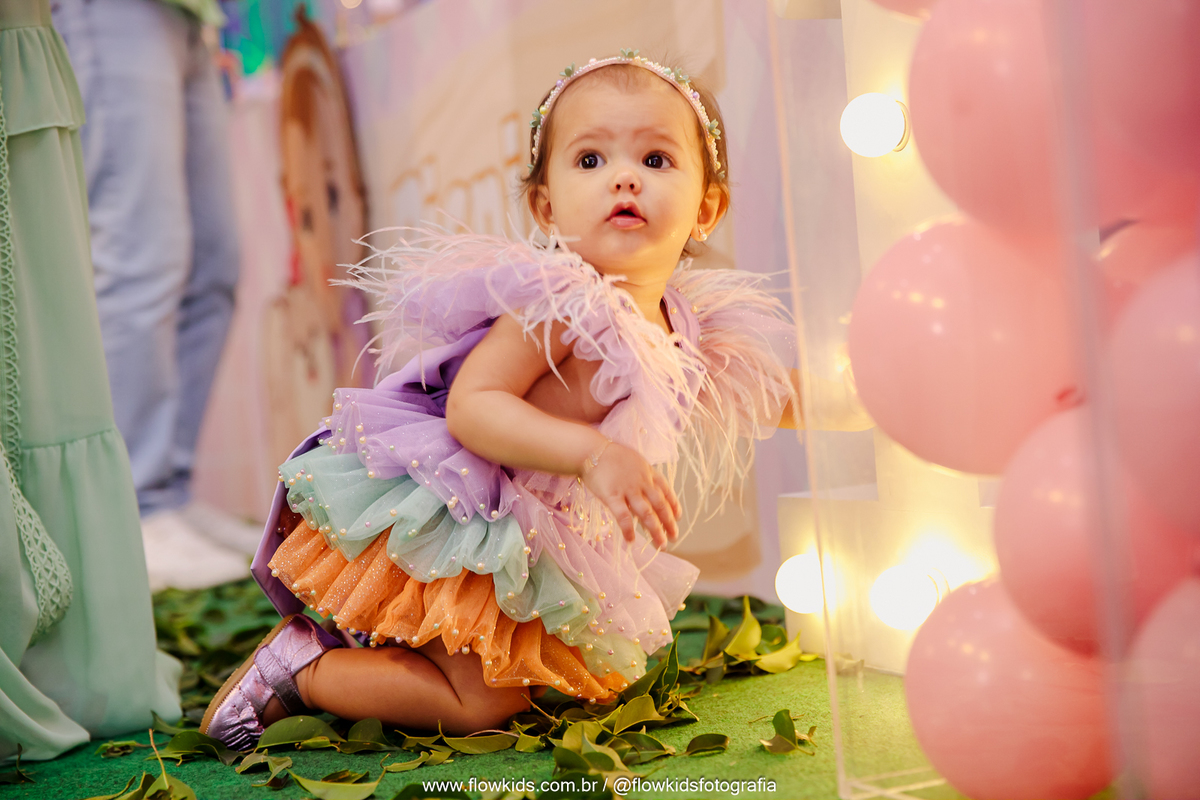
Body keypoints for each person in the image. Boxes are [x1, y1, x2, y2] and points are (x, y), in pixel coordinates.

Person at [202, 51, 858, 746]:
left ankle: (380, 654)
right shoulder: (558, 304)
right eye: (590, 160)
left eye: (656, 159)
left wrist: (855, 400)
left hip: (538, 536)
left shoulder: (684, 329)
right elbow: (474, 405)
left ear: (707, 208)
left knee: (536, 680)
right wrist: (593, 454)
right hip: (465, 508)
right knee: (477, 705)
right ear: (546, 207)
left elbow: (766, 395)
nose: (625, 177)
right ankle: (300, 669)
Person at [0, 0, 181, 762]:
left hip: (25, 45)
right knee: (131, 271)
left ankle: (79, 648)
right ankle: (162, 500)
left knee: (57, 329)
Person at [50, 0, 255, 588]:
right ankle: (134, 507)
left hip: (192, 16)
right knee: (140, 259)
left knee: (213, 266)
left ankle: (170, 493)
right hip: (114, 13)